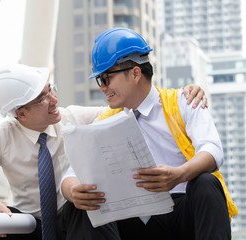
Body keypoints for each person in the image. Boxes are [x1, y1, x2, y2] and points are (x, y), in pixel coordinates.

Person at [0, 63, 207, 240]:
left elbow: (133, 108)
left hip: (72, 223)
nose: (54, 100)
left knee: (83, 203)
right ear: (20, 113)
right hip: (27, 226)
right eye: (42, 99)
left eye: (50, 90)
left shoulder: (76, 118)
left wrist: (182, 96)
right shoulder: (1, 136)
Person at [61, 28, 237, 240]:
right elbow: (71, 173)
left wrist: (179, 174)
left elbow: (213, 149)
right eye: (100, 80)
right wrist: (73, 191)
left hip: (181, 213)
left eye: (106, 78)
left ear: (135, 73)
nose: (103, 88)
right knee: (81, 205)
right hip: (133, 221)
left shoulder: (183, 102)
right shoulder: (104, 121)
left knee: (206, 183)